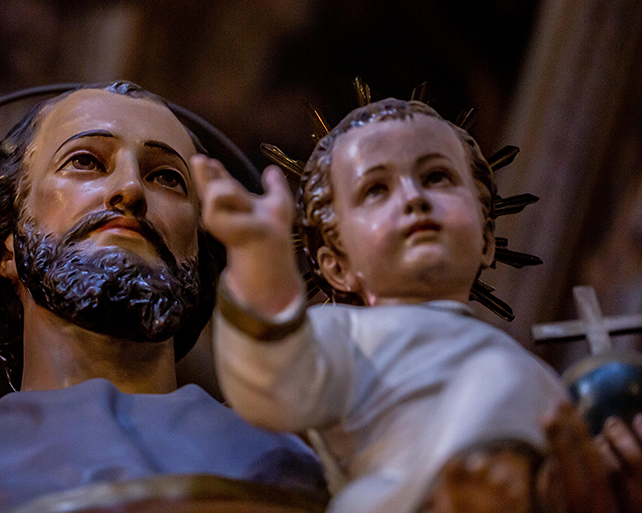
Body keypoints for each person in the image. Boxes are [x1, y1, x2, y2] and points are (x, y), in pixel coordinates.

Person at [0, 82, 325, 512]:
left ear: (198, 252)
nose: (129, 190)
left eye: (167, 178)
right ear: (8, 244)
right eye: (86, 162)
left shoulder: (291, 463)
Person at [191, 97, 569, 513]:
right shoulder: (348, 333)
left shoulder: (527, 368)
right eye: (376, 189)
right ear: (337, 266)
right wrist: (260, 259)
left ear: (487, 237)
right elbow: (276, 386)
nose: (414, 198)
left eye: (437, 177)